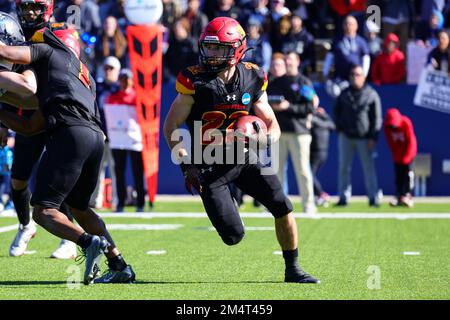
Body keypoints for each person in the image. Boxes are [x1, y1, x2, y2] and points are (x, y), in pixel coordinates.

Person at [164, 17, 319, 283]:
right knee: (233, 236)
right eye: (208, 47)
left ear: (236, 49)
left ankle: (293, 269)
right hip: (210, 167)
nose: (211, 54)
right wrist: (187, 165)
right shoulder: (195, 80)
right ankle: (229, 212)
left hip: (245, 158)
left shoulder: (253, 76)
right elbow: (171, 127)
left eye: (219, 48)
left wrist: (262, 140)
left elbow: (273, 126)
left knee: (283, 206)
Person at [0, 14, 135, 284]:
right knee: (81, 208)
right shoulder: (77, 73)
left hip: (70, 135)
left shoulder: (46, 50)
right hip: (95, 137)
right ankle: (119, 264)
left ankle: (86, 242)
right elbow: (31, 126)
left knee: (43, 210)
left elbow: (8, 57)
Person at [1, 0, 77, 259]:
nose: (30, 13)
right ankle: (25, 225)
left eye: (35, 7)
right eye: (26, 8)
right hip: (28, 114)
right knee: (18, 179)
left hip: (56, 113)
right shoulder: (15, 33)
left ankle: (68, 236)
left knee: (56, 181)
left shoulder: (57, 32)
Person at [267, 51, 318, 214]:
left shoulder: (303, 82)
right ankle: (278, 205)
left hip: (299, 132)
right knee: (276, 171)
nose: (288, 63)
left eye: (291, 60)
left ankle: (308, 204)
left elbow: (310, 107)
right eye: (286, 60)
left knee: (302, 170)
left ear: (297, 62)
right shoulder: (276, 82)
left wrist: (288, 107)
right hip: (278, 132)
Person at [333, 65, 382, 207]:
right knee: (343, 168)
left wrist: (373, 137)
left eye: (358, 74)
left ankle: (373, 197)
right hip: (346, 136)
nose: (355, 77)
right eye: (353, 74)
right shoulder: (344, 94)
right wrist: (340, 129)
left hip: (365, 138)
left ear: (364, 77)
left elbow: (376, 118)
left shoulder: (371, 94)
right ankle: (343, 196)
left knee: (369, 168)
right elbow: (336, 112)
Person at [104, 68, 146, 212]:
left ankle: (140, 203)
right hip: (118, 139)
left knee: (138, 172)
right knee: (119, 172)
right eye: (122, 79)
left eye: (127, 79)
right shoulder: (112, 97)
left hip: (135, 139)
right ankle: (120, 203)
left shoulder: (138, 97)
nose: (125, 82)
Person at [323, 15, 370, 98]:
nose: (348, 26)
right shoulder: (337, 40)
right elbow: (330, 57)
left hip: (355, 77)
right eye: (346, 24)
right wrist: (325, 72)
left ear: (356, 26)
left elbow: (366, 59)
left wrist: (364, 75)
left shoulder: (361, 42)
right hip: (339, 77)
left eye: (351, 24)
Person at [384, 108, 417, 208]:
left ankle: (407, 196)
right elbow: (391, 143)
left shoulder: (406, 123)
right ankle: (398, 196)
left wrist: (407, 157)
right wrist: (397, 156)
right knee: (398, 176)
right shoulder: (387, 127)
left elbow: (411, 142)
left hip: (409, 154)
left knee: (408, 175)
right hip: (398, 155)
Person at [310, 107, 335, 207]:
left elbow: (331, 125)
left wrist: (314, 116)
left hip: (318, 152)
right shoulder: (327, 122)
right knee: (311, 175)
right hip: (319, 152)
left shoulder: (320, 122)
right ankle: (318, 195)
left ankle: (321, 194)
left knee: (310, 175)